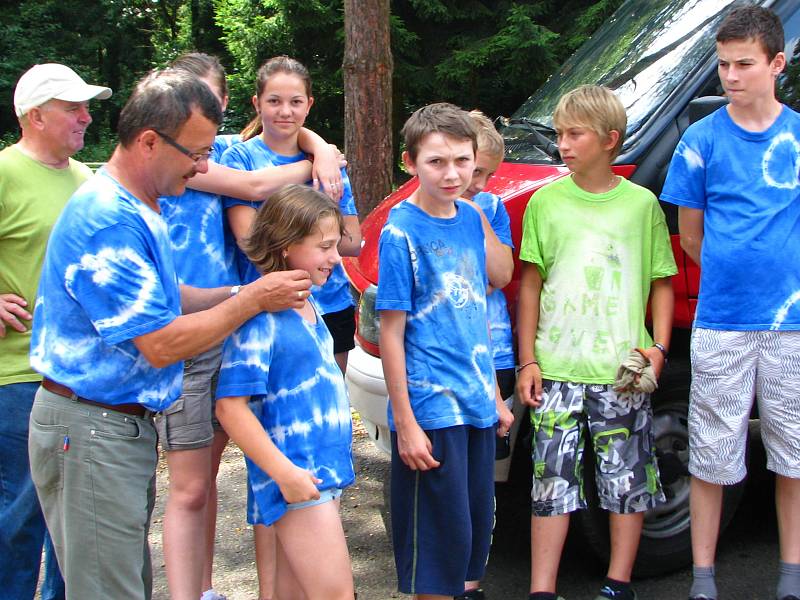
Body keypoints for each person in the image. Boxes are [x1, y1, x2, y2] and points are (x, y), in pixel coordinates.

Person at [27, 68, 312, 600]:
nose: (205, 167)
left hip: (114, 430)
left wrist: (235, 295)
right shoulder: (111, 218)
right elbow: (160, 343)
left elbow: (168, 296)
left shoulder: (140, 206)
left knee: (125, 584)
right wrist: (251, 299)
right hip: (91, 430)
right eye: (197, 153)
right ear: (150, 142)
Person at [156, 52, 344, 600]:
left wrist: (319, 145)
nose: (200, 104)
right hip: (200, 320)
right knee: (192, 484)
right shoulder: (194, 157)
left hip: (239, 313)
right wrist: (320, 158)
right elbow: (260, 191)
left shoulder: (215, 151)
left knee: (240, 467)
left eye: (211, 96)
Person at [660, 6, 800, 600]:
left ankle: (791, 573)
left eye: (745, 64)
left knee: (793, 450)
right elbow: (691, 232)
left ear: (777, 62)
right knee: (713, 451)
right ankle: (703, 576)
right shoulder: (700, 139)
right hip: (720, 321)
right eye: (722, 65)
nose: (731, 76)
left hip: (791, 322)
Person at [516, 85, 676, 600]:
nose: (562, 143)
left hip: (621, 370)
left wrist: (660, 348)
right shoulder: (545, 202)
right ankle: (543, 589)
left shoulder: (641, 205)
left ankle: (618, 583)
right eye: (559, 133)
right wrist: (527, 361)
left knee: (627, 480)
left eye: (574, 134)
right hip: (557, 367)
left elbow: (661, 281)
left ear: (609, 140)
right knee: (551, 484)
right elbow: (531, 286)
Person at [377, 102, 514, 600]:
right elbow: (391, 332)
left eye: (462, 160)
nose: (451, 173)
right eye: (437, 162)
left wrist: (494, 398)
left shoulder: (471, 219)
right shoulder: (401, 232)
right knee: (433, 564)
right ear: (410, 163)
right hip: (431, 411)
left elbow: (475, 311)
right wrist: (406, 423)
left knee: (465, 547)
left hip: (476, 404)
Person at [0, 62, 111, 600]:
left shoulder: (84, 179)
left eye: (86, 107)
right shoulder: (4, 173)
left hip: (80, 379)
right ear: (35, 116)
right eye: (74, 108)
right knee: (22, 517)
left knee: (73, 525)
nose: (87, 118)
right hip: (18, 373)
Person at [214, 184, 356, 600]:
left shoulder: (308, 304)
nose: (334, 257)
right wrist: (286, 474)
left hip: (318, 475)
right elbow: (230, 407)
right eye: (324, 246)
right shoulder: (261, 315)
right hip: (298, 477)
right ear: (286, 245)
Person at [220, 55, 361, 374]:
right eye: (274, 101)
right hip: (270, 302)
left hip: (331, 302)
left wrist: (321, 154)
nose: (285, 111)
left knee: (329, 399)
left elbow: (353, 240)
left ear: (309, 105)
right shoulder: (239, 157)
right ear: (257, 103)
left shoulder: (328, 161)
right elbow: (250, 241)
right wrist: (318, 239)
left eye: (295, 101)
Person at [455, 109, 516, 600]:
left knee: (486, 475)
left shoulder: (489, 208)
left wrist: (477, 214)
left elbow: (499, 275)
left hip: (493, 352)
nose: (478, 182)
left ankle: (472, 578)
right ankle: (450, 570)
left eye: (487, 175)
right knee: (449, 469)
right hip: (450, 356)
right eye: (475, 170)